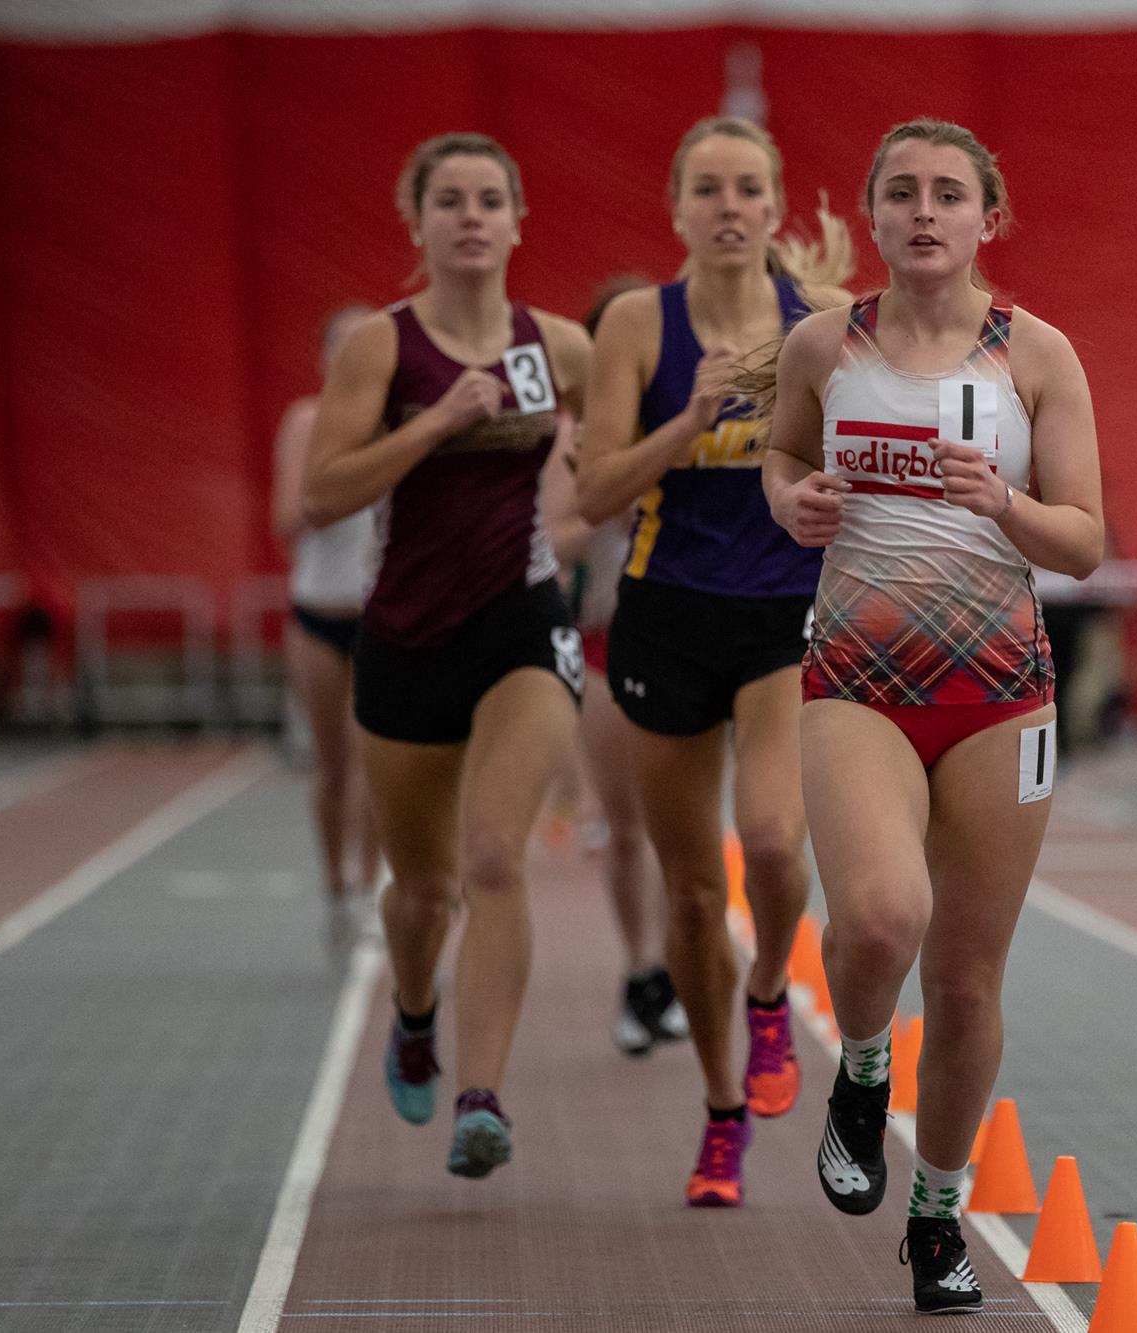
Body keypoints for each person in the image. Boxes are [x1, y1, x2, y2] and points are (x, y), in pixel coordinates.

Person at [760, 117, 1104, 1314]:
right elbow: (778, 457)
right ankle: (860, 1068)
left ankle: (938, 1208)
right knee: (875, 917)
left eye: (947, 194)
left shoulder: (1037, 358)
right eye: (900, 192)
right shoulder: (822, 344)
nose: (923, 211)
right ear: (870, 214)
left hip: (1001, 696)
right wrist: (790, 499)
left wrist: (1001, 501)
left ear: (984, 218)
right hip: (856, 678)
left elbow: (1086, 543)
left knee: (963, 985)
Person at [302, 133, 589, 1180]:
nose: (470, 217)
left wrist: (602, 498)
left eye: (488, 201)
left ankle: (481, 1097)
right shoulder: (380, 349)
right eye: (449, 202)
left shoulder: (559, 347)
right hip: (405, 636)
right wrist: (434, 426)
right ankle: (414, 1010)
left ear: (517, 221)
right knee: (421, 891)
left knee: (493, 857)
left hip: (520, 621)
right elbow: (321, 495)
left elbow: (616, 447)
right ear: (416, 223)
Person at [577, 116, 852, 1208]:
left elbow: (861, 465)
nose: (729, 206)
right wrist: (687, 421)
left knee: (776, 840)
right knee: (690, 898)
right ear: (677, 207)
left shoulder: (820, 326)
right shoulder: (639, 326)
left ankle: (774, 990)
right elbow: (595, 493)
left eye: (747, 187)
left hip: (783, 610)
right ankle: (721, 1111)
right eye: (708, 188)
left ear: (774, 205)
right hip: (664, 616)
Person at [550, 275, 687, 1056]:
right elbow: (549, 539)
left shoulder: (693, 420)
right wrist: (614, 499)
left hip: (688, 639)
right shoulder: (573, 437)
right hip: (605, 637)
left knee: (685, 829)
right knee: (626, 823)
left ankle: (674, 967)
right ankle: (640, 970)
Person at [271, 302, 382, 953]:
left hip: (380, 615)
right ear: (322, 358)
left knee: (373, 758)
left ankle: (368, 888)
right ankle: (334, 886)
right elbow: (288, 516)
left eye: (362, 346)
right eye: (339, 346)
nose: (349, 359)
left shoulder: (397, 420)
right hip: (317, 611)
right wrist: (346, 480)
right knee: (333, 763)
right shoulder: (305, 422)